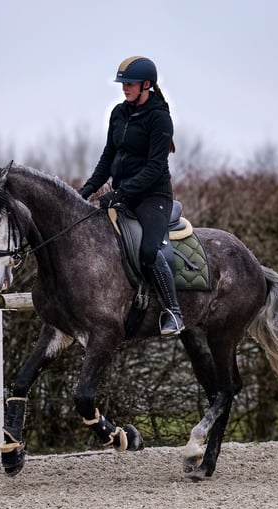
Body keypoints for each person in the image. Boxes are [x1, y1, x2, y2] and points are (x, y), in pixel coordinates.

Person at [79, 56, 185, 336]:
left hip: (153, 197)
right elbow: (108, 156)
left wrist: (120, 193)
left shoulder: (160, 118)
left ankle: (173, 311)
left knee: (148, 251)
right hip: (123, 194)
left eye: (130, 83)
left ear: (146, 85)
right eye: (123, 83)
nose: (124, 88)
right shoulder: (118, 113)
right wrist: (86, 190)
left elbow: (154, 168)